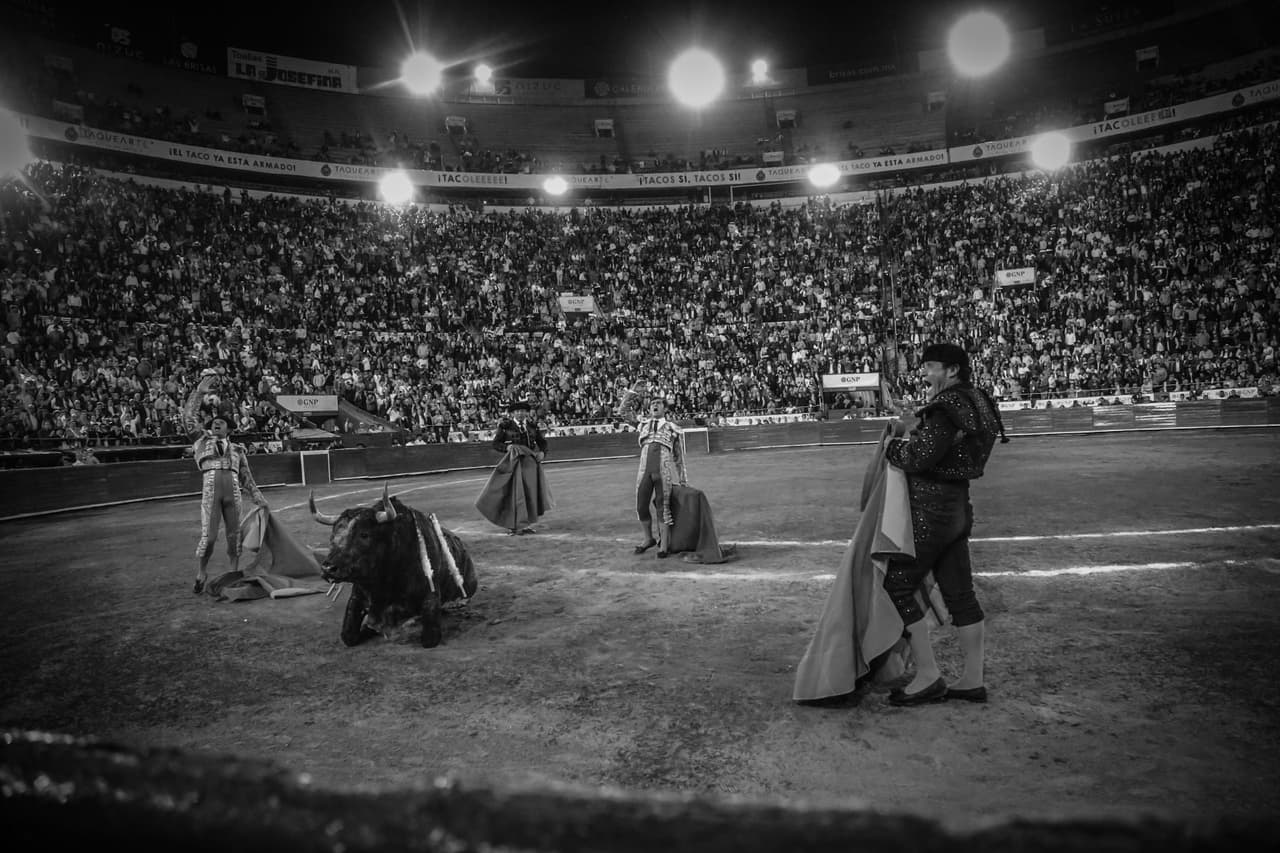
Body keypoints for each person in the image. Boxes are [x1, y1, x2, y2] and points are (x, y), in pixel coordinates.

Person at [880, 343, 1008, 707]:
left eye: (930, 366)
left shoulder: (949, 406)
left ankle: (928, 674)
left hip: (932, 511)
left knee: (899, 584)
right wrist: (918, 421)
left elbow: (919, 458)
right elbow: (946, 444)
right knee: (960, 593)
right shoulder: (976, 399)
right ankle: (972, 679)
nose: (924, 373)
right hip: (957, 507)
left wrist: (893, 443)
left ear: (952, 370)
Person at [183, 372, 268, 595]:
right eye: (214, 423)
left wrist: (258, 497)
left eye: (221, 423)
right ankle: (201, 572)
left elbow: (246, 477)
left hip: (233, 493)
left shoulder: (238, 450)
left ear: (229, 429)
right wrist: (199, 392)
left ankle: (233, 573)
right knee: (209, 537)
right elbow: (188, 418)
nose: (216, 425)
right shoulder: (200, 440)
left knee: (234, 535)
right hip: (211, 490)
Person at [474, 400, 553, 535]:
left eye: (523, 411)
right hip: (513, 464)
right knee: (514, 494)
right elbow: (496, 444)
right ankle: (513, 525)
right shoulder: (505, 426)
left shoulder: (532, 426)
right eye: (517, 411)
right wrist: (507, 447)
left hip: (529, 465)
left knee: (529, 494)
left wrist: (542, 453)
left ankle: (525, 523)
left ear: (527, 413)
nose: (520, 414)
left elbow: (542, 443)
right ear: (513, 414)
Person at [628, 392, 688, 558]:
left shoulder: (673, 428)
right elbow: (623, 412)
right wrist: (633, 392)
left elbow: (679, 457)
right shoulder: (643, 424)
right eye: (652, 403)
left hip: (663, 471)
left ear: (665, 408)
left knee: (664, 507)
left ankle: (665, 545)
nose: (654, 405)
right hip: (644, 470)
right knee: (640, 506)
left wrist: (683, 479)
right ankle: (648, 539)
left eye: (659, 403)